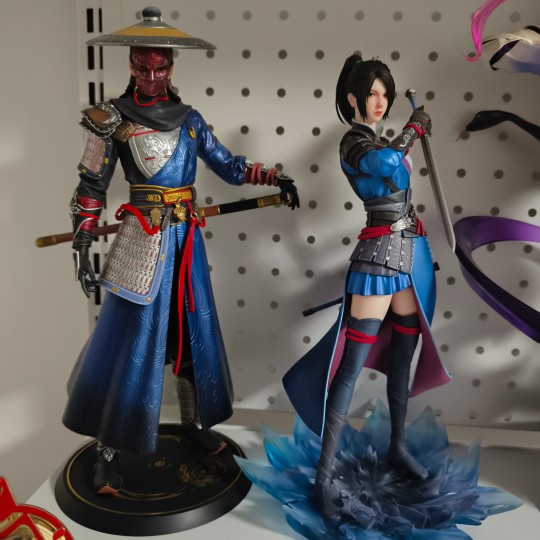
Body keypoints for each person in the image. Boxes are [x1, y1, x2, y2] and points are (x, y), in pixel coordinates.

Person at [63, 9, 299, 495]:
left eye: (160, 68)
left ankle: (193, 425)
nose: (152, 77)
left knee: (192, 334)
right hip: (142, 241)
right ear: (131, 65)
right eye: (143, 68)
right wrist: (83, 240)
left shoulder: (190, 121)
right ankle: (108, 451)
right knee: (130, 344)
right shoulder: (112, 121)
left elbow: (228, 165)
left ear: (171, 66)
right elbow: (90, 185)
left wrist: (272, 175)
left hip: (185, 241)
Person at [282, 54, 451, 519]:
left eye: (385, 94)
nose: (379, 101)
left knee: (404, 354)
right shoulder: (354, 142)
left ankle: (398, 446)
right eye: (371, 94)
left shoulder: (376, 138)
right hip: (377, 258)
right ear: (353, 98)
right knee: (350, 366)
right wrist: (413, 130)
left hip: (409, 254)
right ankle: (323, 476)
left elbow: (395, 164)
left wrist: (408, 135)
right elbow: (388, 163)